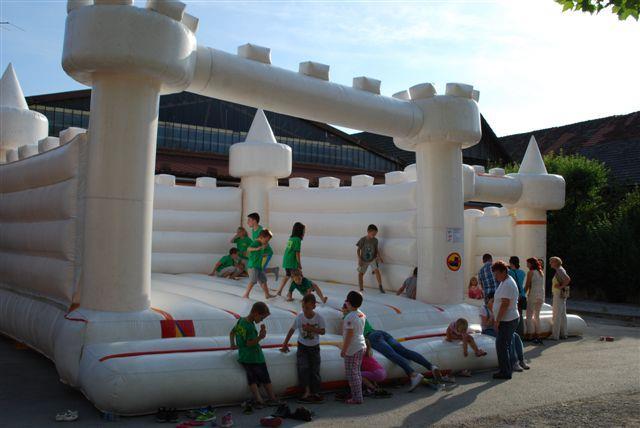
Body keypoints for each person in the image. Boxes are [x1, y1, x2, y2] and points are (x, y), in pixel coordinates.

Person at [364, 319, 440, 391]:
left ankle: (413, 374)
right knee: (404, 351)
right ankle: (431, 366)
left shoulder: (355, 318)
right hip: (380, 332)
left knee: (391, 354)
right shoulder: (360, 314)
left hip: (371, 337)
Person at [229, 302, 281, 407]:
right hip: (255, 357)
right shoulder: (249, 326)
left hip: (244, 356)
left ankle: (259, 399)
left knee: (251, 379)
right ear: (256, 313)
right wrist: (260, 337)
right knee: (265, 378)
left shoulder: (241, 321)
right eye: (262, 318)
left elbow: (232, 332)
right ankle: (272, 398)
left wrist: (233, 344)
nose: (261, 320)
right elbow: (249, 343)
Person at [280, 294, 326, 404]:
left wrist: (311, 329)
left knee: (315, 369)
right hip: (302, 346)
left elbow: (323, 331)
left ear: (314, 306)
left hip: (314, 347)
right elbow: (292, 330)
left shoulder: (319, 318)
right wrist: (285, 344)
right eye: (303, 307)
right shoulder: (300, 317)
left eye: (307, 308)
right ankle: (306, 391)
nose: (305, 310)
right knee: (303, 368)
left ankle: (316, 392)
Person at [480, 293, 529, 372]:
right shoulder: (484, 309)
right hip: (488, 330)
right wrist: (493, 317)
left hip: (498, 328)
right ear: (488, 300)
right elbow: (485, 324)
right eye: (492, 301)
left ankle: (521, 360)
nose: (494, 303)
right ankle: (514, 362)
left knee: (515, 336)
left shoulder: (498, 308)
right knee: (510, 337)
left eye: (495, 301)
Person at [491, 260, 520, 380]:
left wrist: (497, 320)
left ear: (503, 272)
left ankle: (505, 371)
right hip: (508, 319)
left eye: (497, 274)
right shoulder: (505, 281)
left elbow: (505, 304)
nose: (495, 277)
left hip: (507, 319)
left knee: (501, 345)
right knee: (504, 344)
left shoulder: (507, 284)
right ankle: (507, 368)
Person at [341, 291, 367, 404]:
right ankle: (358, 394)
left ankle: (357, 397)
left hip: (353, 348)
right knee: (357, 372)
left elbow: (349, 335)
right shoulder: (361, 314)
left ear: (349, 303)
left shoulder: (349, 317)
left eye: (346, 301)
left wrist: (344, 350)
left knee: (351, 374)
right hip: (361, 345)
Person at [242, 229, 276, 299]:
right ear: (261, 237)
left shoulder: (264, 244)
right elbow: (248, 249)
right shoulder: (256, 242)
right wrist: (257, 249)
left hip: (258, 266)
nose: (267, 242)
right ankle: (246, 294)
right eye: (266, 240)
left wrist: (264, 253)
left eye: (268, 241)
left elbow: (270, 252)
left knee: (263, 280)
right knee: (253, 281)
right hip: (253, 265)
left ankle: (267, 294)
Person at [247, 212, 279, 280]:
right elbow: (257, 243)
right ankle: (274, 270)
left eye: (249, 220)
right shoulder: (253, 230)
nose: (247, 222)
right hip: (260, 253)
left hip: (266, 253)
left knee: (259, 270)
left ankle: (262, 284)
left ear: (254, 221)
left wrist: (262, 252)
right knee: (258, 270)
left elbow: (268, 239)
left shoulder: (261, 230)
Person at [276, 222, 305, 296]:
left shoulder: (291, 238)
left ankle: (280, 291)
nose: (304, 232)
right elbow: (297, 253)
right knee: (294, 277)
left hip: (287, 260)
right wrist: (299, 263)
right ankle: (289, 293)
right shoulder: (297, 240)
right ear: (300, 231)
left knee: (288, 276)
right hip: (292, 261)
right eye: (303, 230)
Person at [356, 224, 384, 293]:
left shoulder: (375, 240)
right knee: (360, 274)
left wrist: (379, 257)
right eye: (373, 234)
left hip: (372, 259)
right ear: (368, 232)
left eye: (375, 234)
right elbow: (358, 250)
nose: (374, 235)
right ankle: (361, 289)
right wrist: (359, 259)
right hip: (363, 259)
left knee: (377, 270)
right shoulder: (363, 240)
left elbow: (376, 249)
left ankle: (380, 286)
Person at [549, 256, 571, 341]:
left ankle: (555, 335)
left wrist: (561, 286)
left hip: (558, 294)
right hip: (561, 294)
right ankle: (564, 333)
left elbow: (567, 279)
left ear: (556, 263)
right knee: (562, 314)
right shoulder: (561, 269)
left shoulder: (559, 270)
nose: (550, 263)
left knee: (556, 314)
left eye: (551, 262)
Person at [525, 257, 545, 344]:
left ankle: (530, 334)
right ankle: (538, 335)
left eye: (528, 263)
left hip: (533, 295)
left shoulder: (530, 272)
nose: (527, 264)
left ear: (531, 264)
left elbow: (527, 285)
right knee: (537, 315)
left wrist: (522, 293)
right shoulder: (541, 272)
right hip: (541, 295)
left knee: (529, 316)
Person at [508, 256, 527, 336]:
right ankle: (521, 332)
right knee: (520, 314)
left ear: (511, 263)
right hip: (522, 294)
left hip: (514, 295)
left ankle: (515, 333)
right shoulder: (522, 272)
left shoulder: (509, 273)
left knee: (513, 314)